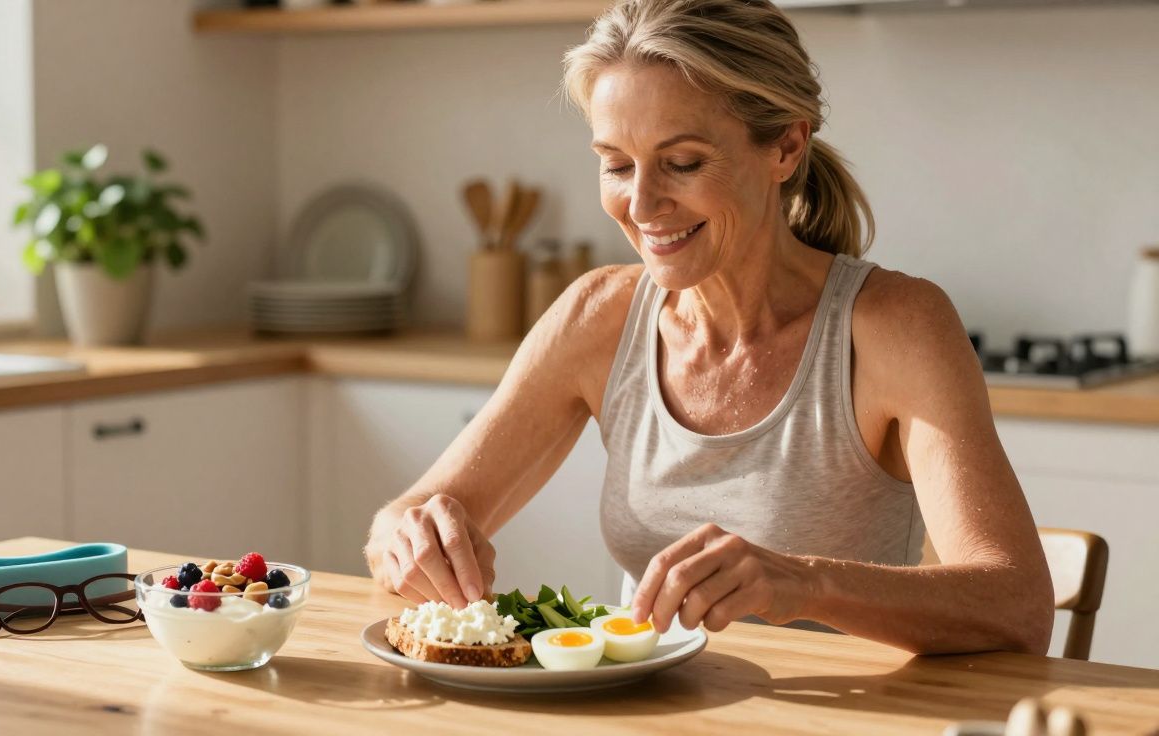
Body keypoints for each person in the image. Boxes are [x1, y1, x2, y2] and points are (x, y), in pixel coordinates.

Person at [364, 0, 1053, 654]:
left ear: (785, 148)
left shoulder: (894, 326)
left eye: (683, 163)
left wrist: (802, 583)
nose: (640, 204)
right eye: (615, 164)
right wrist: (408, 533)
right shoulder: (599, 316)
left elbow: (1016, 605)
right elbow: (408, 513)